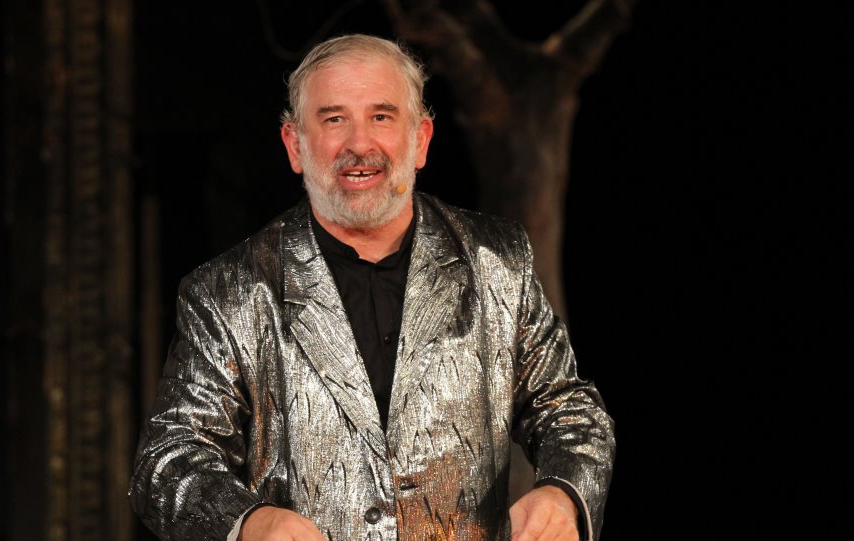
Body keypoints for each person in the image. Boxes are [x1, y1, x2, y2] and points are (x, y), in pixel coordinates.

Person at [128, 33, 615, 541]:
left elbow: (569, 410)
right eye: (333, 119)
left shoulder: (498, 262)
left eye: (381, 116)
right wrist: (250, 520)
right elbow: (168, 460)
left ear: (420, 139)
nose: (359, 145)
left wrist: (563, 491)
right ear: (295, 145)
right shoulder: (228, 291)